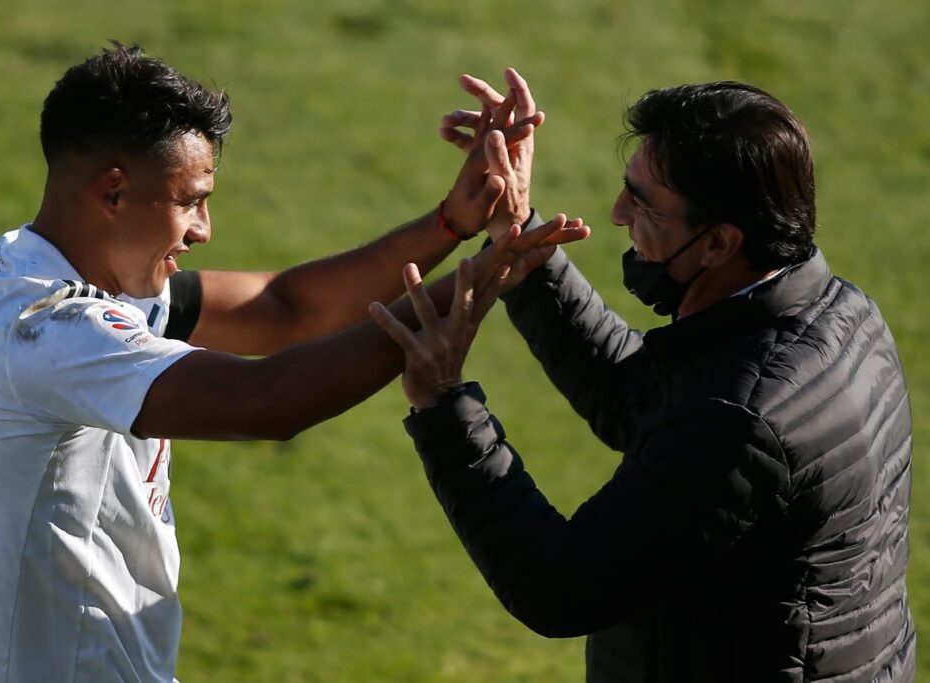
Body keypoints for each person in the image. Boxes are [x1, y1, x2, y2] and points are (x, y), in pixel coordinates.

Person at [0, 42, 587, 682]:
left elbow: (285, 308)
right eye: (191, 198)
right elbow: (267, 400)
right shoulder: (47, 326)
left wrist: (452, 222)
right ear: (114, 193)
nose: (203, 229)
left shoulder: (58, 274)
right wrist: (493, 272)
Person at [373, 80, 915, 681]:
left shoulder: (742, 418)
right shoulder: (839, 315)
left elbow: (560, 587)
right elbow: (641, 404)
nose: (616, 214)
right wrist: (520, 241)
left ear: (717, 242)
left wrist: (444, 405)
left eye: (643, 202)